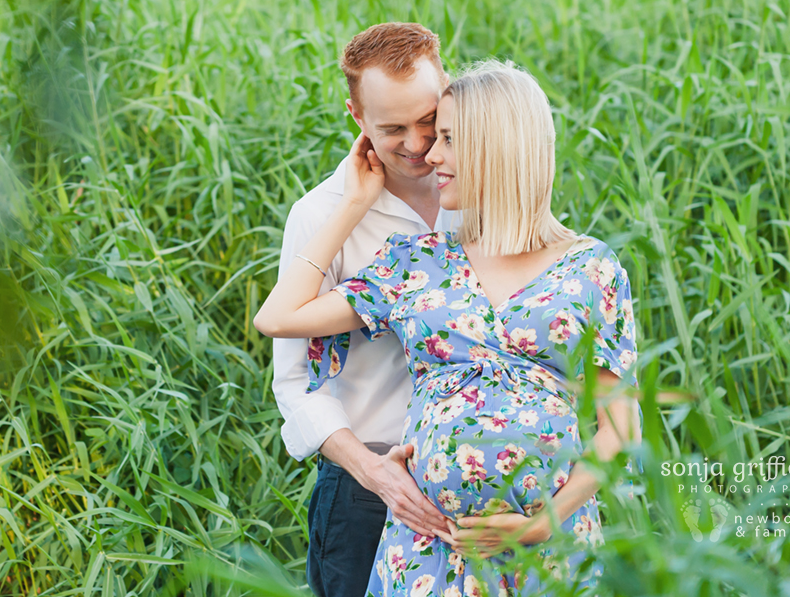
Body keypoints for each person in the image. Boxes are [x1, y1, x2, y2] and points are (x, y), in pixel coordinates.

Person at [256, 60, 641, 597]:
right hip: (422, 542)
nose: (427, 152)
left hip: (549, 549)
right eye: (414, 134)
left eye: (445, 136)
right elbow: (277, 319)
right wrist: (352, 207)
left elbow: (621, 428)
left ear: (496, 146)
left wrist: (541, 522)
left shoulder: (589, 270)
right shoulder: (416, 261)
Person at [271, 23, 463, 597]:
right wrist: (372, 472)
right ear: (355, 115)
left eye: (428, 121)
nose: (418, 144)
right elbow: (294, 380)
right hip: (368, 489)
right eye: (392, 129)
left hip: (472, 483)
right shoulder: (319, 215)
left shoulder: (483, 194)